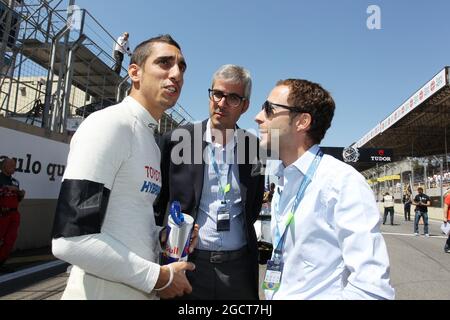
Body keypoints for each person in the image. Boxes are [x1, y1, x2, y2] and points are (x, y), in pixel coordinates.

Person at [52, 34, 198, 300]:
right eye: (164, 63)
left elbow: (127, 219)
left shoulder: (151, 142)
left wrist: (162, 236)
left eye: (181, 67)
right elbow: (70, 240)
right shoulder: (109, 124)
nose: (176, 73)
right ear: (135, 72)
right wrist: (159, 277)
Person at [254, 79, 395, 300]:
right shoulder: (283, 180)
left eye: (269, 109)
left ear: (302, 121)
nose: (258, 116)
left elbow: (372, 289)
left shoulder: (342, 182)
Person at [155, 64, 265, 300]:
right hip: (187, 264)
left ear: (245, 106)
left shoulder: (255, 148)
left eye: (233, 98)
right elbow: (158, 201)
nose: (222, 103)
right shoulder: (177, 140)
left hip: (238, 269)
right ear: (210, 95)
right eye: (218, 94)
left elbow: (253, 206)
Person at [0, 158, 25, 273]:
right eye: (11, 165)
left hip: (14, 214)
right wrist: (6, 188)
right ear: (3, 166)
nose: (14, 167)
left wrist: (21, 194)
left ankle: (1, 263)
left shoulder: (16, 181)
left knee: (10, 239)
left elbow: (18, 199)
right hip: (2, 214)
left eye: (14, 165)